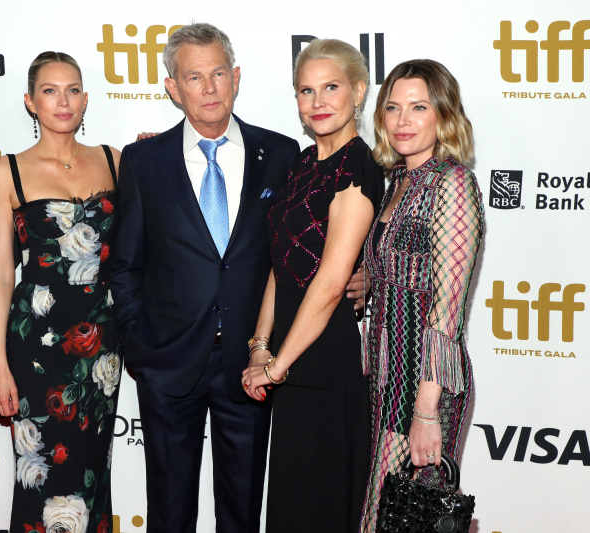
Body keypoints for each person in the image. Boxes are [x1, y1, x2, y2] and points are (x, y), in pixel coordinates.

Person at [110, 22, 301, 533]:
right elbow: (125, 264)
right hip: (168, 360)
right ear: (173, 88)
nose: (210, 88)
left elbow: (298, 257)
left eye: (218, 73)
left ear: (236, 78)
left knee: (242, 510)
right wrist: (138, 345)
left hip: (252, 362)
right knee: (169, 511)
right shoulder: (143, 161)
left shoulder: (281, 155)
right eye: (194, 77)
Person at [240, 38, 384, 532]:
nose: (317, 101)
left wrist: (277, 365)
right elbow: (282, 267)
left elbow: (329, 281)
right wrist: (261, 346)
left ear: (359, 92)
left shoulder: (358, 166)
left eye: (331, 87)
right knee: (292, 502)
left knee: (317, 503)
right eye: (306, 90)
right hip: (291, 352)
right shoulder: (302, 163)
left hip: (324, 355)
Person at [0, 52, 121, 533]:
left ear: (85, 99)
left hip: (101, 341)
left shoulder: (115, 160)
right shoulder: (7, 171)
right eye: (49, 90)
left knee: (91, 467)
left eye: (72, 90)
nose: (62, 101)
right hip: (35, 338)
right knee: (38, 471)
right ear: (30, 102)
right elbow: (2, 273)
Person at [359, 59, 483, 532]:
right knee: (383, 514)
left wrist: (426, 411)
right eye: (392, 108)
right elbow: (405, 270)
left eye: (418, 107)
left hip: (424, 384)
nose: (402, 120)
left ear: (443, 116)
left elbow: (447, 311)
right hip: (386, 379)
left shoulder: (450, 182)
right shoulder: (399, 181)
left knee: (407, 517)